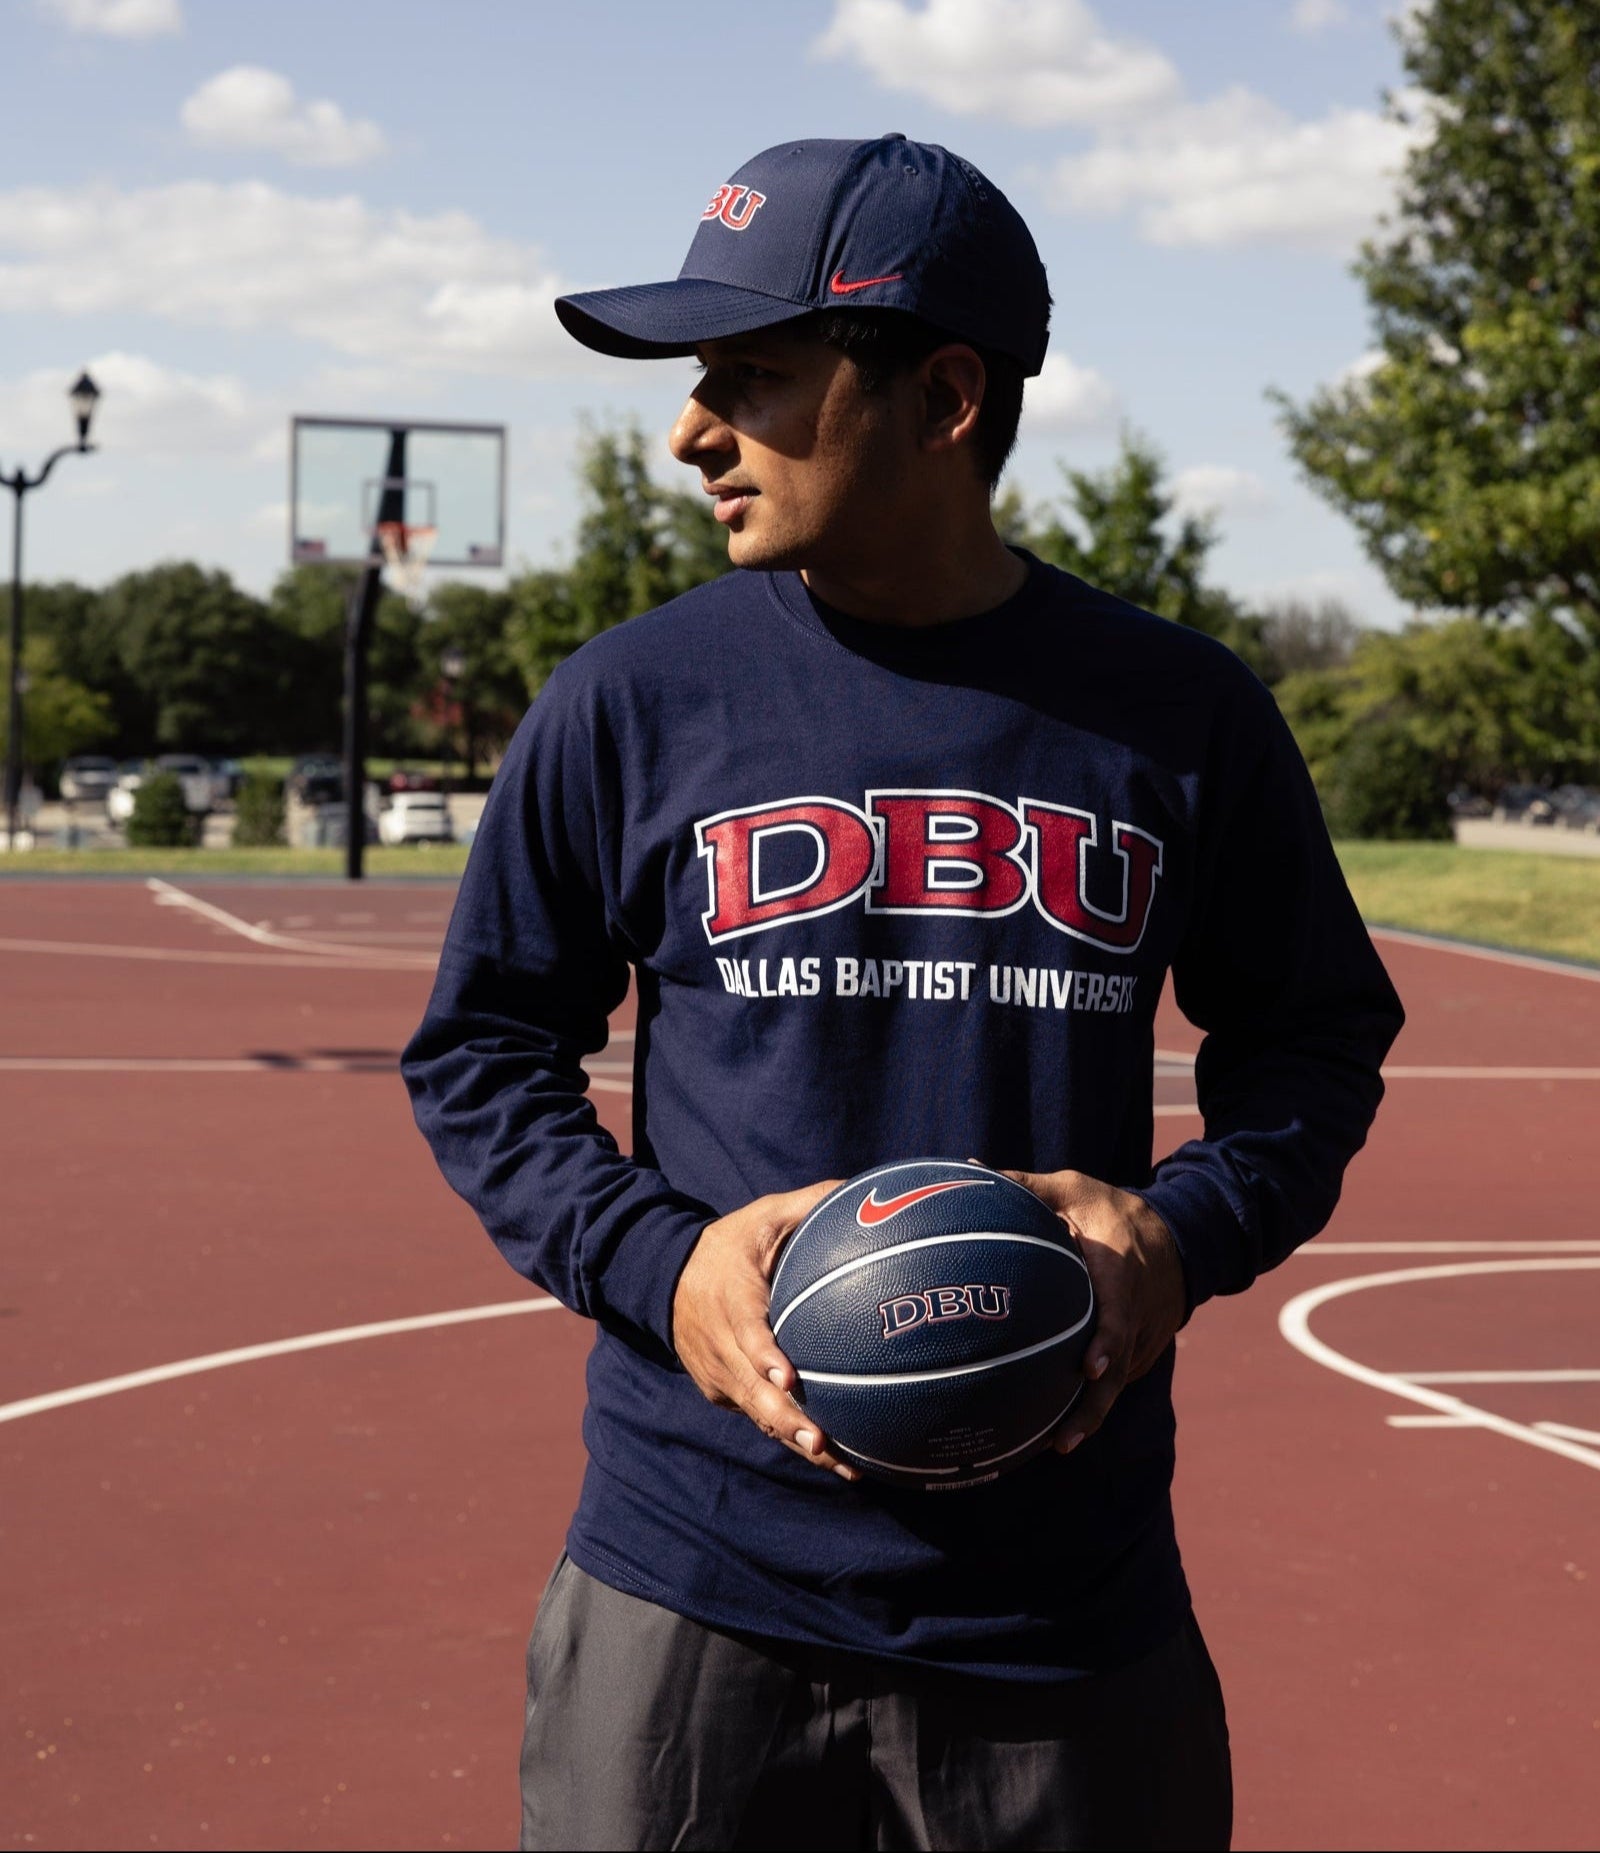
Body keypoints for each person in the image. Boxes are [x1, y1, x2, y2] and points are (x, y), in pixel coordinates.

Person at [402, 134, 1403, 1852]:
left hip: (1062, 1614)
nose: (691, 428)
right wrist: (662, 1259)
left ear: (945, 395)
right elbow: (484, 1052)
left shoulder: (1177, 714)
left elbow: (1314, 1036)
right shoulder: (631, 701)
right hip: (690, 1583)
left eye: (755, 376)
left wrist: (1183, 1232)